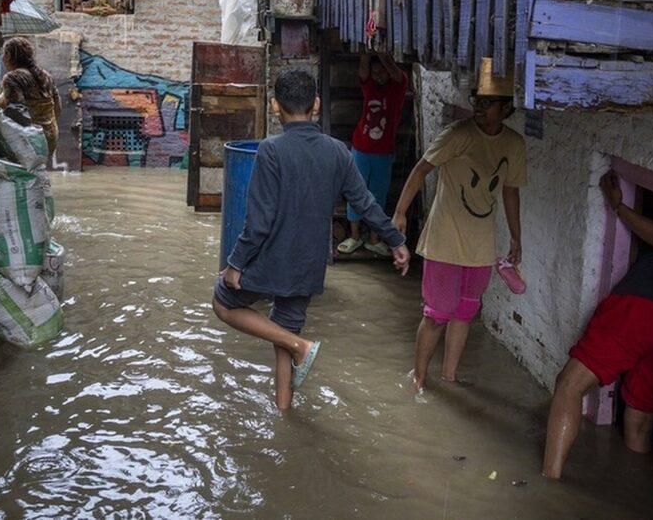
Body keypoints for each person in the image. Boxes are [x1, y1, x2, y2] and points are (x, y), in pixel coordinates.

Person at [213, 69, 412, 410]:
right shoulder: (337, 151)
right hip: (309, 263)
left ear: (275, 107)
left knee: (223, 302)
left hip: (271, 259)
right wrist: (396, 240)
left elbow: (258, 223)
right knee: (282, 338)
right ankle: (284, 411)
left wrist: (234, 265)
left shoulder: (270, 151)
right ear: (316, 104)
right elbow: (364, 202)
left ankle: (301, 346)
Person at [541, 171, 653, 480]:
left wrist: (618, 206)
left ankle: (549, 480)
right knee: (639, 426)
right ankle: (627, 497)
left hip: (638, 309)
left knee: (569, 385)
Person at [392, 57, 527, 390]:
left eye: (488, 102)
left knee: (465, 313)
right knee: (437, 314)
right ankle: (420, 377)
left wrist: (516, 237)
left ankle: (450, 377)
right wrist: (400, 213)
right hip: (444, 241)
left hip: (480, 247)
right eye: (476, 100)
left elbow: (510, 191)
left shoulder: (514, 144)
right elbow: (421, 169)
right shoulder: (457, 135)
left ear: (508, 109)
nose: (479, 107)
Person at [337, 51, 408, 257]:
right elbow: (364, 69)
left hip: (384, 153)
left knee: (378, 195)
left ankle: (374, 239)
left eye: (381, 72)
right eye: (375, 72)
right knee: (355, 193)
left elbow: (395, 72)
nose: (377, 76)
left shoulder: (398, 87)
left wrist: (382, 53)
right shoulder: (369, 86)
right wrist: (368, 51)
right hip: (360, 148)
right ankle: (355, 236)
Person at [0, 37, 62, 158]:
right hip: (49, 136)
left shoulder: (12, 78)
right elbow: (58, 105)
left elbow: (16, 112)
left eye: (4, 54)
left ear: (9, 55)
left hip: (29, 138)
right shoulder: (45, 75)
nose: (2, 58)